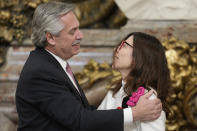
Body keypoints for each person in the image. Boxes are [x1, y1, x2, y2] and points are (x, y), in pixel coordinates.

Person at [15, 2, 162, 131]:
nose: (80, 36)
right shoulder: (41, 71)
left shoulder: (51, 64)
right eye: (73, 31)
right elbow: (80, 120)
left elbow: (82, 113)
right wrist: (135, 113)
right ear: (50, 38)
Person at [98, 32, 171, 131]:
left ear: (141, 56)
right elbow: (95, 123)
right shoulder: (115, 91)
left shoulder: (148, 99)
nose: (115, 49)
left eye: (124, 45)